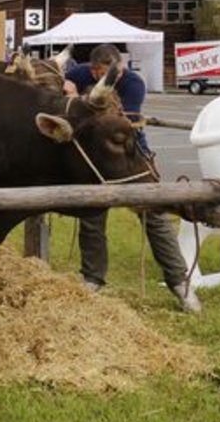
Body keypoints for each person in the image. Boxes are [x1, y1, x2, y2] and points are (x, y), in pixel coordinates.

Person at [63, 44, 201, 312]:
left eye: (113, 72)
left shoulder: (134, 83)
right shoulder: (83, 73)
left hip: (131, 152)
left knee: (155, 215)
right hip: (96, 157)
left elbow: (120, 121)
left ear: (120, 67)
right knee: (91, 217)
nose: (108, 76)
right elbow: (66, 80)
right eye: (102, 73)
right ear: (94, 69)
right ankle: (92, 280)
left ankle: (180, 283)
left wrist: (82, 103)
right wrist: (68, 85)